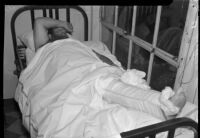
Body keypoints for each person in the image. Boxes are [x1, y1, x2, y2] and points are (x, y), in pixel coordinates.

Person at [33, 17, 187, 120]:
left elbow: (96, 57)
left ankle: (165, 105)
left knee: (111, 84)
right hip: (66, 72)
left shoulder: (78, 45)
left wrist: (114, 67)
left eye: (62, 31)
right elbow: (39, 21)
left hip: (88, 67)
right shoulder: (44, 47)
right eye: (55, 30)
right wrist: (62, 24)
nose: (60, 31)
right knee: (104, 85)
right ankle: (163, 107)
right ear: (50, 35)